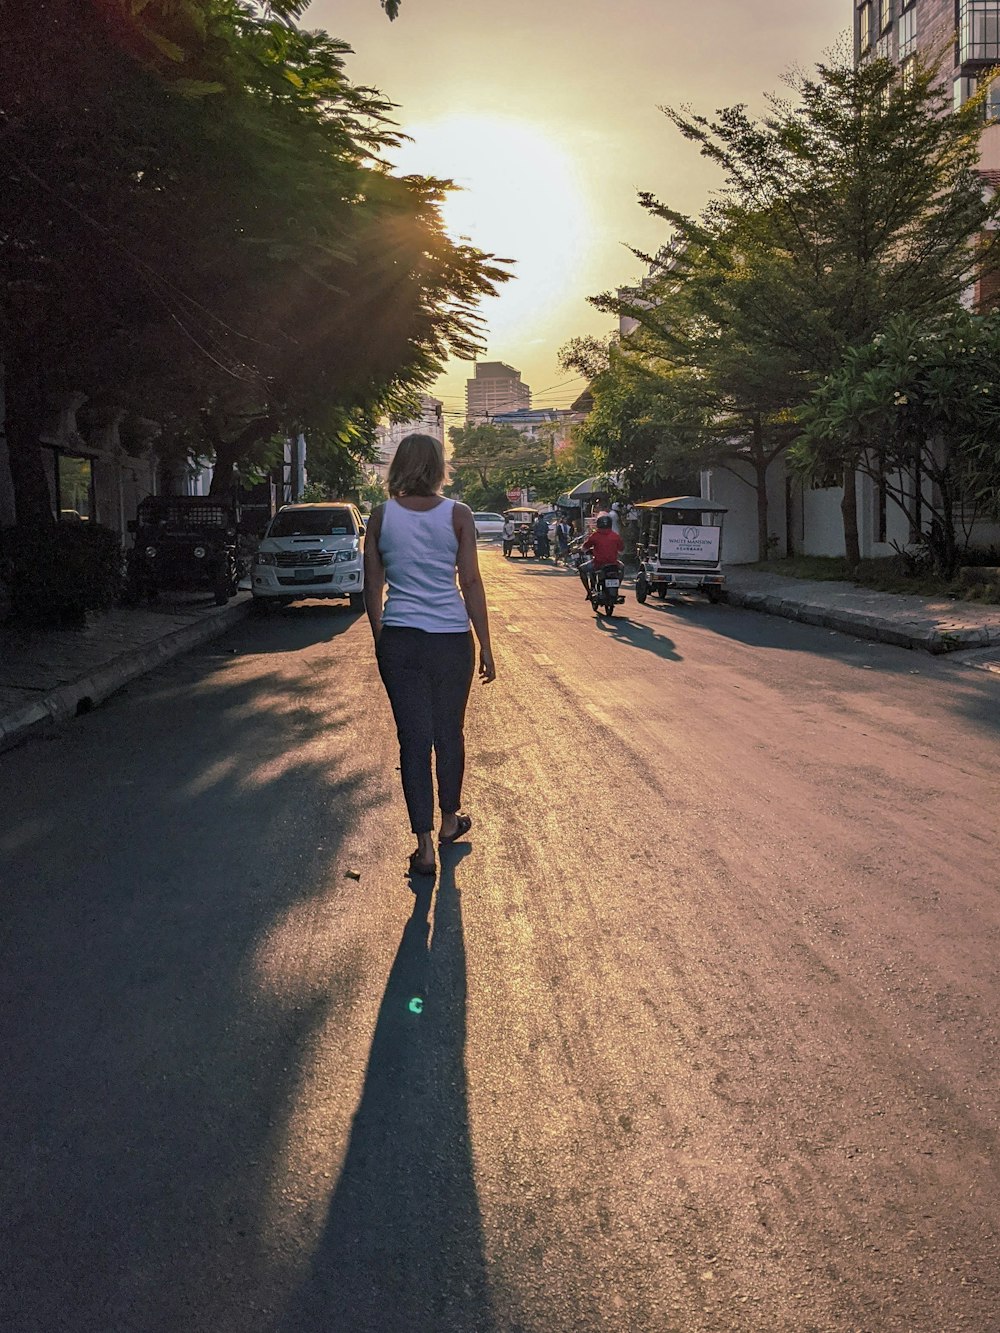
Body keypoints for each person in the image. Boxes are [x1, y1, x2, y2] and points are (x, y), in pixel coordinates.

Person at [363, 434, 496, 879]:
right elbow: (471, 583)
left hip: (401, 639)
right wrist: (487, 645)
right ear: (439, 466)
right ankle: (448, 822)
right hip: (450, 639)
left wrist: (384, 637)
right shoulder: (459, 515)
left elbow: (372, 587)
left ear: (398, 466)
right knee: (449, 734)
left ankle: (423, 849)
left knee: (413, 741)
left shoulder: (380, 517)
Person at [579, 514, 624, 598]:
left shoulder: (595, 535)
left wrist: (582, 549)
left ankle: (589, 592)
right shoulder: (616, 536)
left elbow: (584, 547)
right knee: (622, 567)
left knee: (582, 569)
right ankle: (617, 587)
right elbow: (621, 550)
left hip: (598, 563)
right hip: (613, 564)